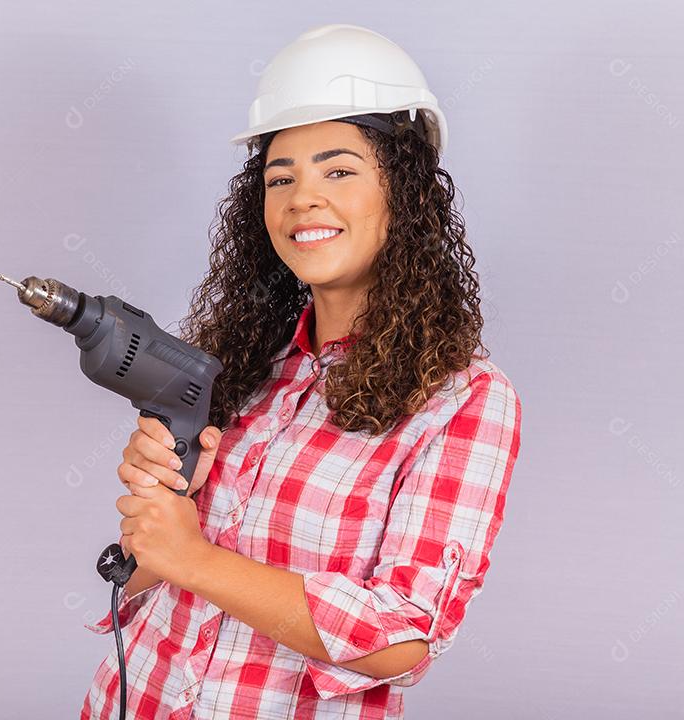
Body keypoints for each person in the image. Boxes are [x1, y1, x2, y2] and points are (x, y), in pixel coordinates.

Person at [81, 24, 522, 720]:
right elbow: (153, 580)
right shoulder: (241, 360)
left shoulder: (462, 399)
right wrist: (163, 514)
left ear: (404, 194)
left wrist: (192, 556)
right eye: (279, 178)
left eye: (338, 169)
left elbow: (403, 633)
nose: (301, 198)